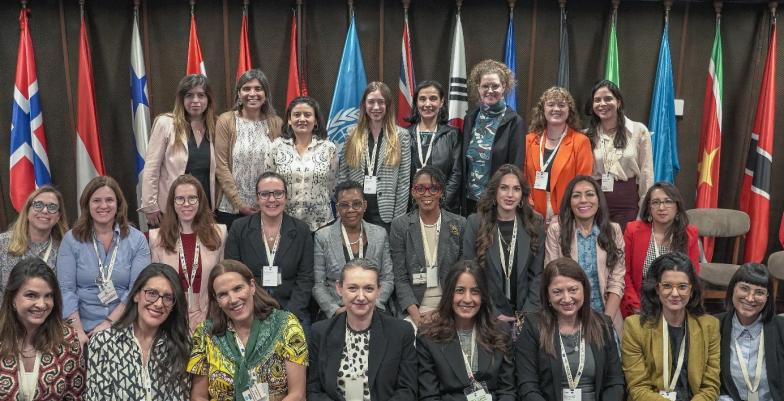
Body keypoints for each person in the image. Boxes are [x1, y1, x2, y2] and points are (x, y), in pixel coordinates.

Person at [189, 260, 307, 401]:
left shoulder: (286, 324)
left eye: (238, 288)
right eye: (223, 294)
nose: (233, 299)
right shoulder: (205, 333)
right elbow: (198, 396)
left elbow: (297, 395)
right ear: (217, 300)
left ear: (252, 286)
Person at [57, 176, 151, 347]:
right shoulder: (71, 240)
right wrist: (78, 331)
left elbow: (136, 289)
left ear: (118, 204)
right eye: (96, 201)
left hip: (125, 325)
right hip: (80, 327)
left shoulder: (137, 240)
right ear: (87, 204)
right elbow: (66, 290)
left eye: (109, 200)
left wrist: (109, 323)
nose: (103, 206)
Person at [307, 258, 417, 400]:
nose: (361, 297)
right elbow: (313, 391)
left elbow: (407, 390)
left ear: (378, 290)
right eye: (352, 288)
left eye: (368, 289)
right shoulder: (320, 332)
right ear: (339, 288)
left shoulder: (401, 332)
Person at [516, 258, 625, 401]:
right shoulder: (533, 327)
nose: (567, 298)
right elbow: (528, 386)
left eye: (573, 290)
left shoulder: (602, 324)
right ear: (547, 295)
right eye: (557, 292)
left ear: (584, 289)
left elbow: (615, 382)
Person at [621, 252, 720, 401]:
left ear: (692, 290)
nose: (674, 293)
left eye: (682, 287)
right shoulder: (635, 327)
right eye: (667, 286)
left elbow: (711, 387)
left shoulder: (709, 326)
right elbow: (638, 388)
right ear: (657, 289)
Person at [85, 263, 191, 400]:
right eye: (151, 293)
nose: (159, 304)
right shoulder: (103, 342)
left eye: (168, 297)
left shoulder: (183, 345)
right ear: (136, 295)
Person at [462, 164, 544, 333]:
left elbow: (538, 274)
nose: (510, 195)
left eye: (516, 189)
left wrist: (526, 315)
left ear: (522, 195)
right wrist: (493, 313)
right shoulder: (475, 223)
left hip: (526, 313)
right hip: (487, 312)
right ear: (495, 192)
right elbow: (470, 273)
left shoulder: (535, 223)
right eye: (504, 188)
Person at [224, 171, 313, 326]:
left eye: (278, 193)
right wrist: (250, 309)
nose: (272, 199)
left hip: (291, 309)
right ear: (257, 198)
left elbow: (306, 278)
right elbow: (232, 274)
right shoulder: (239, 228)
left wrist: (289, 316)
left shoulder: (302, 230)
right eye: (265, 194)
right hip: (249, 307)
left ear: (286, 196)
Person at [417, 260, 516, 401]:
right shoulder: (428, 337)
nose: (467, 299)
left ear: (483, 296)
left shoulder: (501, 332)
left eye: (475, 291)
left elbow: (507, 391)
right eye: (460, 291)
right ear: (449, 294)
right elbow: (429, 397)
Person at [545, 176, 625, 334]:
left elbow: (617, 280)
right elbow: (551, 278)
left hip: (606, 315)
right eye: (576, 195)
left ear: (599, 200)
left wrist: (605, 322)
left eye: (589, 194)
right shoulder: (556, 231)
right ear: (569, 202)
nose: (583, 200)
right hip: (566, 316)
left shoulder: (613, 231)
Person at [149, 175, 227, 332]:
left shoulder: (220, 233)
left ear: (200, 201)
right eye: (180, 199)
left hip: (209, 316)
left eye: (192, 198)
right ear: (172, 203)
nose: (186, 204)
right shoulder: (156, 237)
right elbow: (156, 285)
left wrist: (208, 316)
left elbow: (222, 281)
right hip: (171, 318)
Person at [390, 166, 466, 327]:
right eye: (420, 189)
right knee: (408, 337)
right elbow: (400, 277)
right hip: (413, 308)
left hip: (450, 307)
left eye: (433, 188)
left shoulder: (459, 224)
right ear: (413, 192)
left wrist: (443, 311)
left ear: (441, 192)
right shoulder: (400, 226)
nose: (426, 194)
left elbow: (462, 276)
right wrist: (417, 317)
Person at [0, 257, 85, 400]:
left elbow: (76, 396)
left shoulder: (69, 340)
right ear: (13, 299)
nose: (41, 304)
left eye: (48, 296)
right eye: (31, 295)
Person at [140, 74, 219, 226]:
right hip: (169, 210)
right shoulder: (166, 124)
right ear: (181, 99)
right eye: (189, 95)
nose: (195, 100)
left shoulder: (216, 126)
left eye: (201, 95)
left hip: (204, 210)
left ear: (208, 99)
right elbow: (151, 168)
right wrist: (150, 205)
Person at [313, 181, 394, 319]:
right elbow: (319, 285)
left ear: (365, 205)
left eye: (356, 204)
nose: (351, 210)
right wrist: (335, 310)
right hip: (338, 309)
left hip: (374, 308)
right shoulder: (323, 237)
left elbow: (387, 278)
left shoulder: (380, 234)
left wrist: (374, 304)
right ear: (337, 208)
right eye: (344, 205)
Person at [215, 69, 283, 228]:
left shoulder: (276, 123)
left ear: (265, 94)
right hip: (232, 208)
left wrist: (269, 200)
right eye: (246, 89)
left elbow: (280, 167)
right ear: (239, 94)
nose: (252, 93)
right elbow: (221, 165)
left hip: (268, 206)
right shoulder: (226, 121)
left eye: (258, 89)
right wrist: (239, 204)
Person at [338, 81, 411, 230]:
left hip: (386, 214)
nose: (376, 107)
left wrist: (398, 220)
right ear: (364, 105)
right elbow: (343, 175)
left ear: (388, 105)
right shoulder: (352, 134)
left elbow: (404, 182)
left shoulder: (401, 136)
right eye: (371, 102)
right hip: (355, 210)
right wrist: (344, 210)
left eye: (381, 102)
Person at [621, 183, 700, 317]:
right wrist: (636, 306)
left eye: (668, 201)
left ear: (677, 207)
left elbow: (693, 275)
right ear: (649, 207)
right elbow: (624, 273)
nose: (661, 207)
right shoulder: (633, 231)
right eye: (656, 202)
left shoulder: (690, 234)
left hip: (677, 303)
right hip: (640, 304)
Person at [585, 80, 653, 231]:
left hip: (627, 203)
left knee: (623, 244)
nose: (602, 104)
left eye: (608, 98)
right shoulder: (587, 135)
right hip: (594, 203)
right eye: (597, 100)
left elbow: (646, 174)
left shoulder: (638, 131)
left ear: (619, 102)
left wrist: (644, 209)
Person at [460, 59, 526, 214]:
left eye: (495, 86)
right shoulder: (470, 118)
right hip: (469, 201)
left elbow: (516, 168)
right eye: (485, 86)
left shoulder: (514, 122)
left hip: (498, 203)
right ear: (478, 88)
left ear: (504, 87)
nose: (490, 90)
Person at [266, 96, 338, 231]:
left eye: (308, 115)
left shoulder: (329, 148)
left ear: (315, 120)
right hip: (284, 223)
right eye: (297, 115)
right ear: (289, 120)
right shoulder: (276, 147)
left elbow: (332, 187)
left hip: (321, 224)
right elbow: (268, 183)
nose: (302, 119)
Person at [525, 86, 593, 223]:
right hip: (531, 214)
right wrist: (529, 208)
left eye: (561, 105)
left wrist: (565, 214)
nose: (556, 109)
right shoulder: (529, 140)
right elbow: (523, 177)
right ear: (543, 109)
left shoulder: (580, 142)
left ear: (569, 111)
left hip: (566, 215)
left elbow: (583, 183)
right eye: (551, 104)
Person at [718, 263, 784, 401]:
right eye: (744, 289)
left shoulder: (781, 328)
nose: (750, 298)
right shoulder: (715, 326)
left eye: (759, 292)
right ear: (733, 289)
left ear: (768, 297)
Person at [0, 186, 68, 299]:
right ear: (27, 211)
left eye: (52, 207)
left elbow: (66, 292)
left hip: (48, 309)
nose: (45, 211)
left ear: (58, 217)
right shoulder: (2, 243)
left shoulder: (64, 249)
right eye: (38, 205)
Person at [404, 80, 462, 212]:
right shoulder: (405, 134)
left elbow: (456, 175)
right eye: (422, 99)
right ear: (416, 102)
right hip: (410, 208)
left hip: (443, 208)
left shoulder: (453, 134)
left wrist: (440, 203)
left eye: (433, 98)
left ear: (441, 102)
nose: (427, 104)